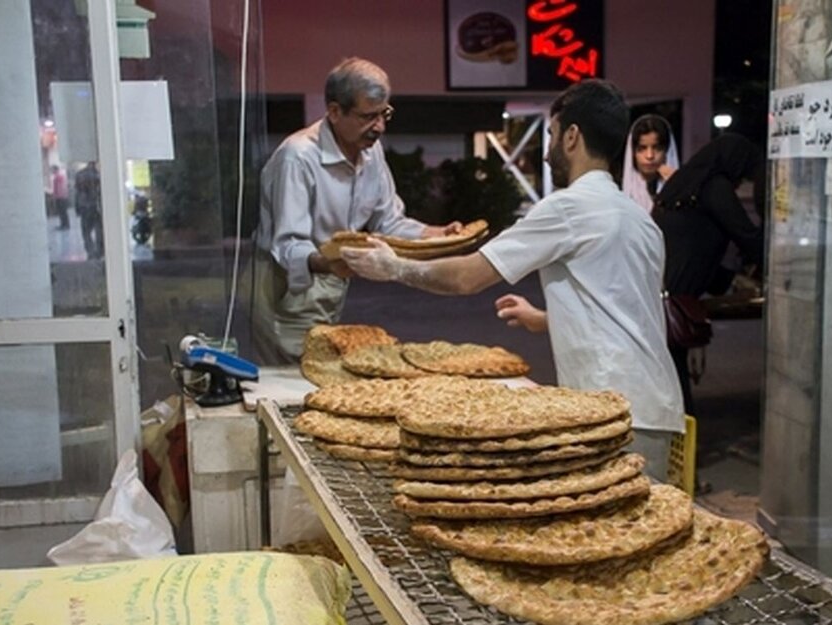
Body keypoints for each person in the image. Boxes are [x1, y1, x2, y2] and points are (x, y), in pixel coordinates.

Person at [341, 79, 684, 482]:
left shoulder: (570, 207)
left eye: (552, 135)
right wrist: (545, 317)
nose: (548, 149)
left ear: (572, 137)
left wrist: (395, 266)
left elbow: (468, 277)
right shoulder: (638, 218)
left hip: (611, 409)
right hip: (656, 408)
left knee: (608, 536)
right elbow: (625, 306)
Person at [254, 57, 461, 363]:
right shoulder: (298, 158)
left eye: (384, 114)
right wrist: (334, 261)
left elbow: (388, 221)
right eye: (368, 117)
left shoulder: (370, 150)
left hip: (332, 278)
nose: (379, 127)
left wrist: (437, 234)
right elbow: (287, 245)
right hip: (288, 287)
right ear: (335, 112)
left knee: (323, 373)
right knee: (295, 382)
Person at [652, 132, 764, 414]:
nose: (741, 184)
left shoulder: (679, 186)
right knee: (675, 384)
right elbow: (747, 236)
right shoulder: (714, 188)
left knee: (667, 378)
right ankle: (679, 446)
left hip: (655, 291)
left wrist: (729, 280)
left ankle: (674, 444)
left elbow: (690, 247)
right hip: (673, 299)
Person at [621, 114, 679, 213]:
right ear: (632, 153)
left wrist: (677, 185)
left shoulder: (682, 190)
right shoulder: (618, 194)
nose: (649, 156)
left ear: (667, 151)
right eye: (642, 148)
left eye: (657, 148)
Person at [75, 161, 104, 259]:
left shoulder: (79, 174)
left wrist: (77, 208)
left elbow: (77, 193)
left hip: (84, 206)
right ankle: (99, 251)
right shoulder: (98, 176)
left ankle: (90, 251)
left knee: (86, 231)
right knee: (98, 229)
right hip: (96, 206)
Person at [50, 165, 70, 230]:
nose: (51, 171)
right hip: (62, 196)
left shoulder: (58, 176)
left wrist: (56, 196)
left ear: (55, 169)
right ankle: (64, 224)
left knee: (62, 212)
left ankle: (65, 225)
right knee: (62, 212)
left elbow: (59, 187)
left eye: (52, 169)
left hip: (61, 197)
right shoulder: (59, 175)